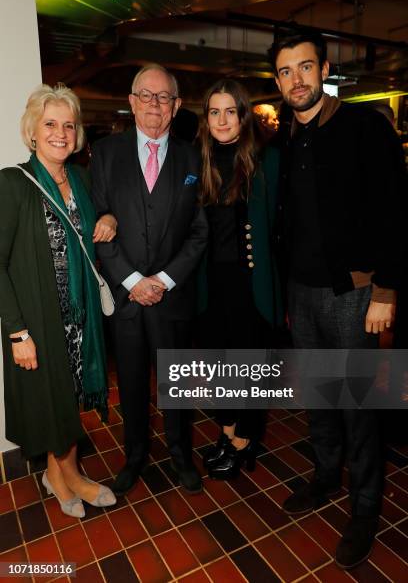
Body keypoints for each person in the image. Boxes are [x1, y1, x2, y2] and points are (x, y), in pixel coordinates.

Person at [269, 29, 406, 569]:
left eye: (305, 67)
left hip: (355, 295)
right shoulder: (284, 140)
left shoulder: (364, 127)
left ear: (324, 68)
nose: (296, 79)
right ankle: (326, 477)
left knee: (357, 407)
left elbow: (397, 212)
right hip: (301, 296)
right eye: (285, 71)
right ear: (277, 81)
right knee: (321, 400)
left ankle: (367, 505)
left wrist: (385, 291)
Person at [0, 83, 118, 518]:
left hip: (79, 317)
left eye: (68, 125)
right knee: (52, 402)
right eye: (50, 124)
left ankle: (66, 473)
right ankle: (61, 476)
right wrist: (17, 331)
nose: (60, 133)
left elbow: (99, 221)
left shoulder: (82, 181)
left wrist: (106, 217)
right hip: (38, 318)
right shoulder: (12, 183)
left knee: (67, 399)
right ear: (33, 132)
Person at [90, 64, 208, 496]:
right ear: (131, 101)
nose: (154, 104)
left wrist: (164, 279)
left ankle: (180, 453)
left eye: (164, 97)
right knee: (134, 382)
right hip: (126, 297)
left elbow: (199, 232)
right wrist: (133, 280)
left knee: (176, 382)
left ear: (176, 106)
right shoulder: (104, 154)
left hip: (171, 296)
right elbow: (97, 227)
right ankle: (134, 455)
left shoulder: (193, 159)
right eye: (146, 94)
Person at [197, 79, 283, 480]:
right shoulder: (199, 161)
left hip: (250, 284)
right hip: (212, 283)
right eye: (215, 112)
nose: (222, 119)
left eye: (230, 111)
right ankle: (228, 431)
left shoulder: (267, 159)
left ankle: (245, 439)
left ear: (243, 115)